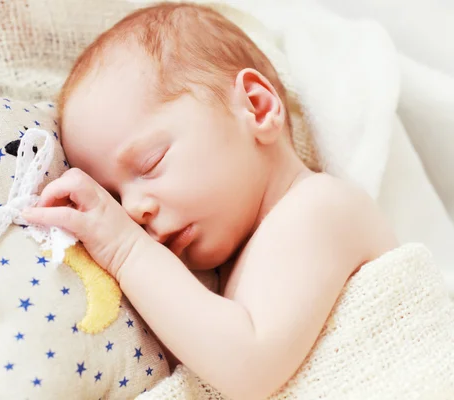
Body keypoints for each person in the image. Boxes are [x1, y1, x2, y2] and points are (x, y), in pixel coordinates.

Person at [22, 3, 398, 399]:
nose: (132, 211)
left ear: (256, 107)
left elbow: (248, 366)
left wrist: (124, 250)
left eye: (150, 163)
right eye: (115, 198)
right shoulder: (227, 272)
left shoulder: (321, 207)